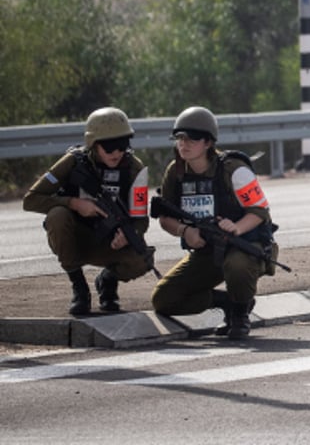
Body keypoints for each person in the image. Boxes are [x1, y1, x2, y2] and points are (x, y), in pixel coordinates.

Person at [150, 106, 276, 339]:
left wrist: (237, 227)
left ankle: (240, 313)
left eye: (192, 139)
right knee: (163, 299)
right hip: (207, 251)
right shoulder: (176, 173)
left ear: (208, 143)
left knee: (237, 266)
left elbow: (259, 211)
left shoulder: (233, 170)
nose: (184, 144)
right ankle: (226, 302)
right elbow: (165, 217)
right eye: (180, 138)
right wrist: (185, 231)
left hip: (245, 245)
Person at [23, 107, 154, 315]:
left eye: (122, 146)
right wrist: (74, 203)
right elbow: (31, 200)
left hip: (109, 242)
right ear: (93, 144)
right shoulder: (73, 162)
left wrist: (129, 236)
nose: (117, 153)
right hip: (76, 238)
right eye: (109, 148)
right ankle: (80, 288)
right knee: (57, 216)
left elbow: (141, 219)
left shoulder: (133, 169)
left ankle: (108, 281)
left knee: (142, 259)